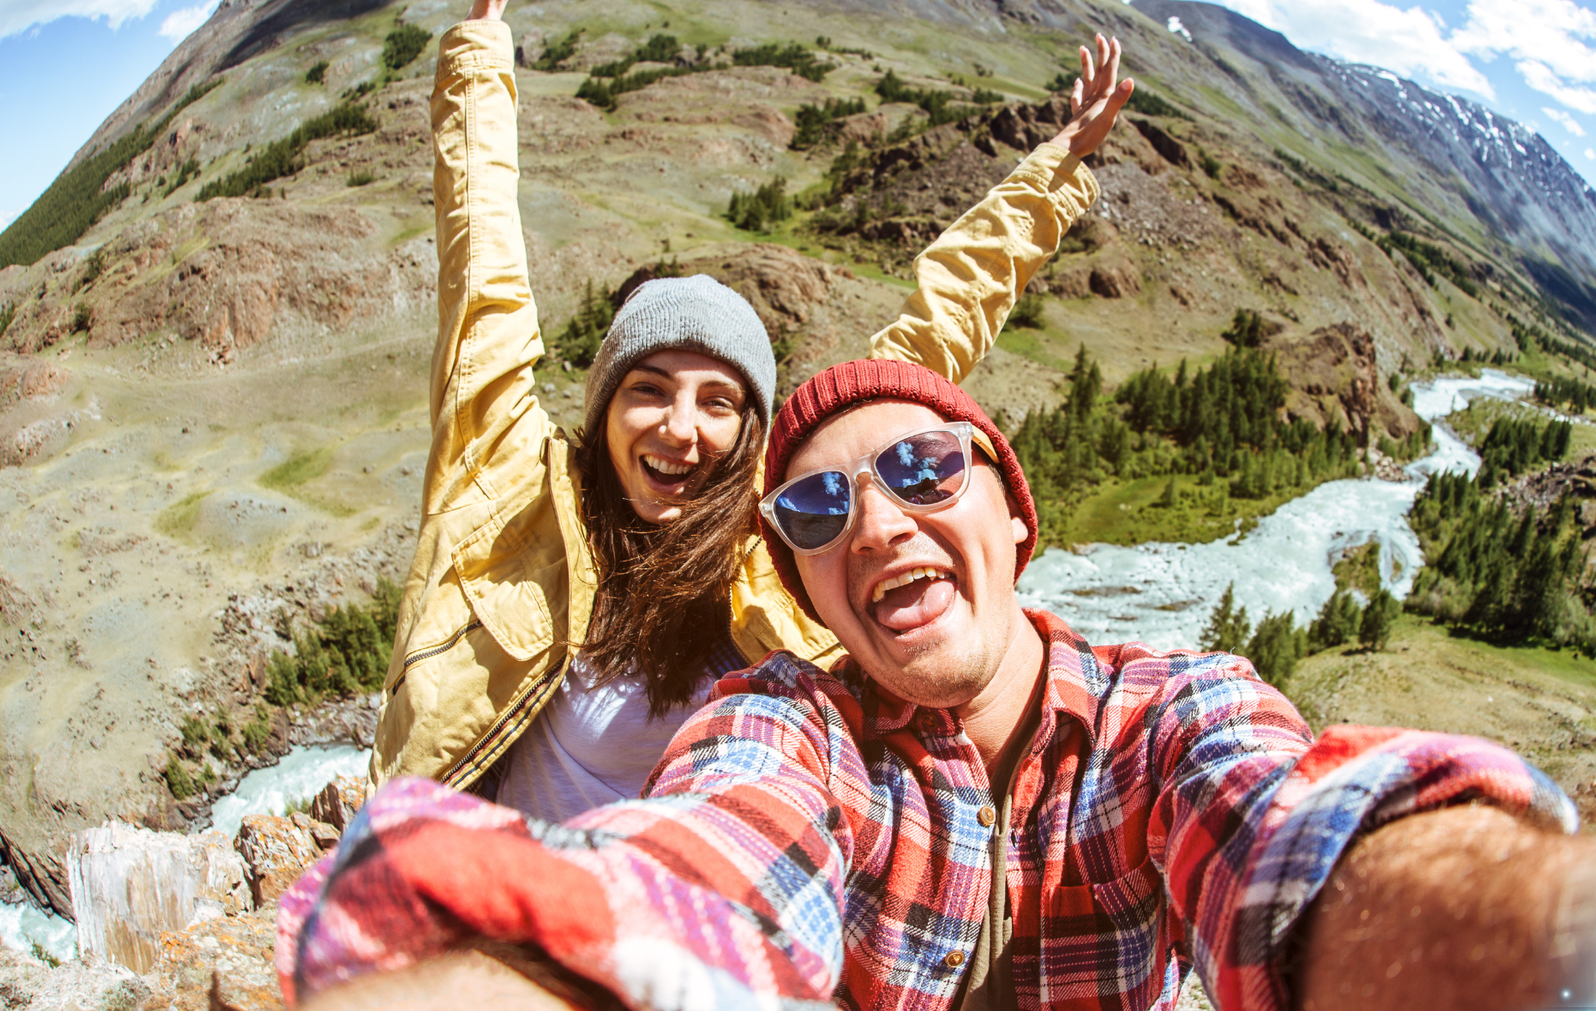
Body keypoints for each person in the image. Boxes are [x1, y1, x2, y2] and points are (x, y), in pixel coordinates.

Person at [245, 360, 1596, 1011]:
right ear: (806, 583)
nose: (875, 521)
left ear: (1018, 521)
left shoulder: (1165, 715)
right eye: (817, 504)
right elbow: (691, 880)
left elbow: (1301, 845)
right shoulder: (789, 727)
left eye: (923, 470)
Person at [380, 0, 1134, 823]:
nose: (680, 427)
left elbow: (932, 333)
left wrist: (1057, 170)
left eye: (718, 402)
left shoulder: (780, 538)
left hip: (703, 928)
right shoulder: (515, 485)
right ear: (602, 409)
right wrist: (480, 53)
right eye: (648, 389)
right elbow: (481, 269)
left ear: (750, 434)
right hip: (487, 914)